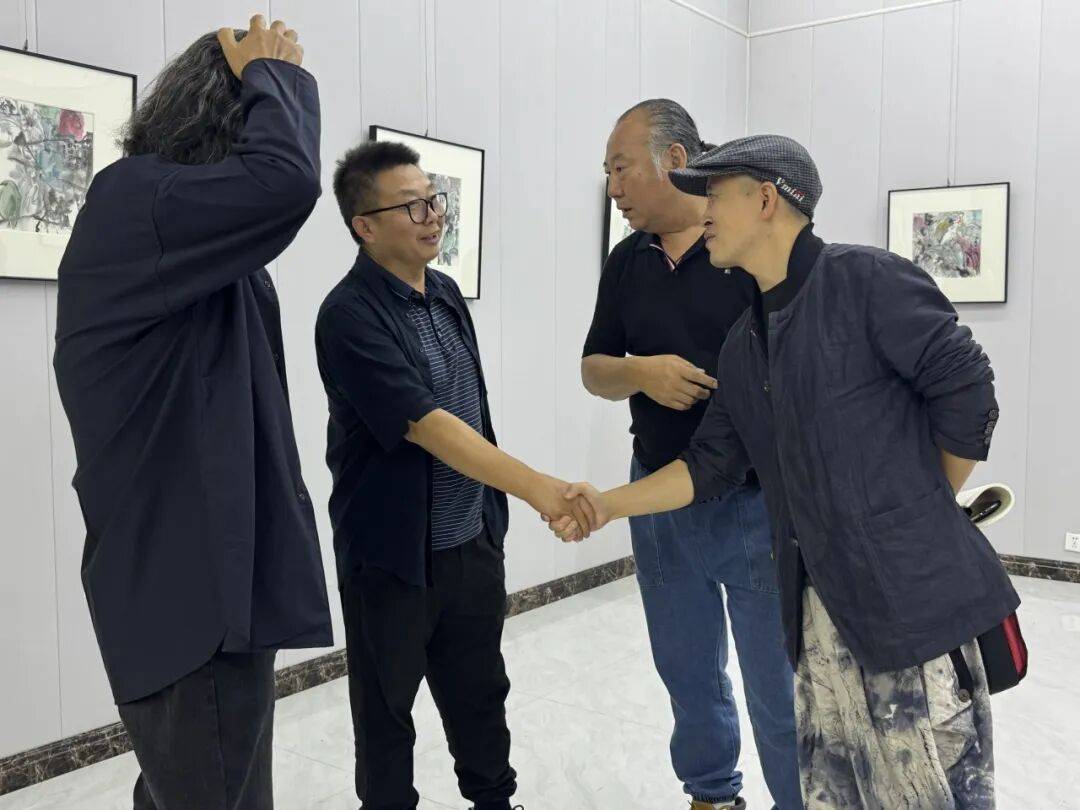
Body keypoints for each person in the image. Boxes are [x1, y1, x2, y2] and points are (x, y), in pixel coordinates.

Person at [553, 134, 1017, 808]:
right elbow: (709, 464)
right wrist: (606, 503)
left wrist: (924, 505)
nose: (705, 211)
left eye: (716, 195)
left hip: (908, 608)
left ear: (766, 199)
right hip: (817, 610)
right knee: (836, 789)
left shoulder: (865, 281)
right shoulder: (745, 343)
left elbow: (968, 390)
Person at [52, 16, 332, 810]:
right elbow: (285, 184)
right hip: (187, 599)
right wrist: (276, 75)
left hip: (210, 589)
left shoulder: (192, 251)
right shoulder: (131, 203)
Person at [314, 140, 588, 810]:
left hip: (470, 544)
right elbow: (428, 426)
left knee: (480, 696)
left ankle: (494, 801)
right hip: (393, 558)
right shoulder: (348, 314)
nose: (433, 214)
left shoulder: (442, 293)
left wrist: (496, 514)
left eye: (433, 199)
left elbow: (472, 413)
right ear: (364, 226)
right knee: (387, 716)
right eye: (412, 206)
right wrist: (540, 489)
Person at [581, 99, 800, 810]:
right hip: (658, 494)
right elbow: (594, 369)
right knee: (685, 666)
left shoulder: (745, 250)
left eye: (621, 168)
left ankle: (800, 799)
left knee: (777, 682)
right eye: (608, 172)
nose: (613, 187)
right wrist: (641, 372)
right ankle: (710, 793)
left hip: (752, 500)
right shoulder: (627, 260)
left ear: (675, 160)